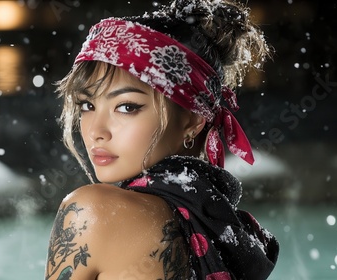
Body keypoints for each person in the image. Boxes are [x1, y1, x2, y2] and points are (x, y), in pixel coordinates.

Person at [45, 0, 279, 279]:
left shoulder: (94, 212)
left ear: (192, 119)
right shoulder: (227, 232)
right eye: (86, 106)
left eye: (126, 107)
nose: (97, 130)